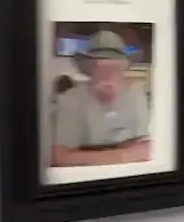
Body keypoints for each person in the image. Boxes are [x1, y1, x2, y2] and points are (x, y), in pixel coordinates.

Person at [51, 29, 152, 166]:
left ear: (123, 68)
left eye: (114, 68)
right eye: (100, 67)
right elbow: (59, 158)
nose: (108, 74)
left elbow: (144, 144)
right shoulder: (71, 100)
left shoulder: (136, 94)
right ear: (89, 70)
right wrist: (124, 156)